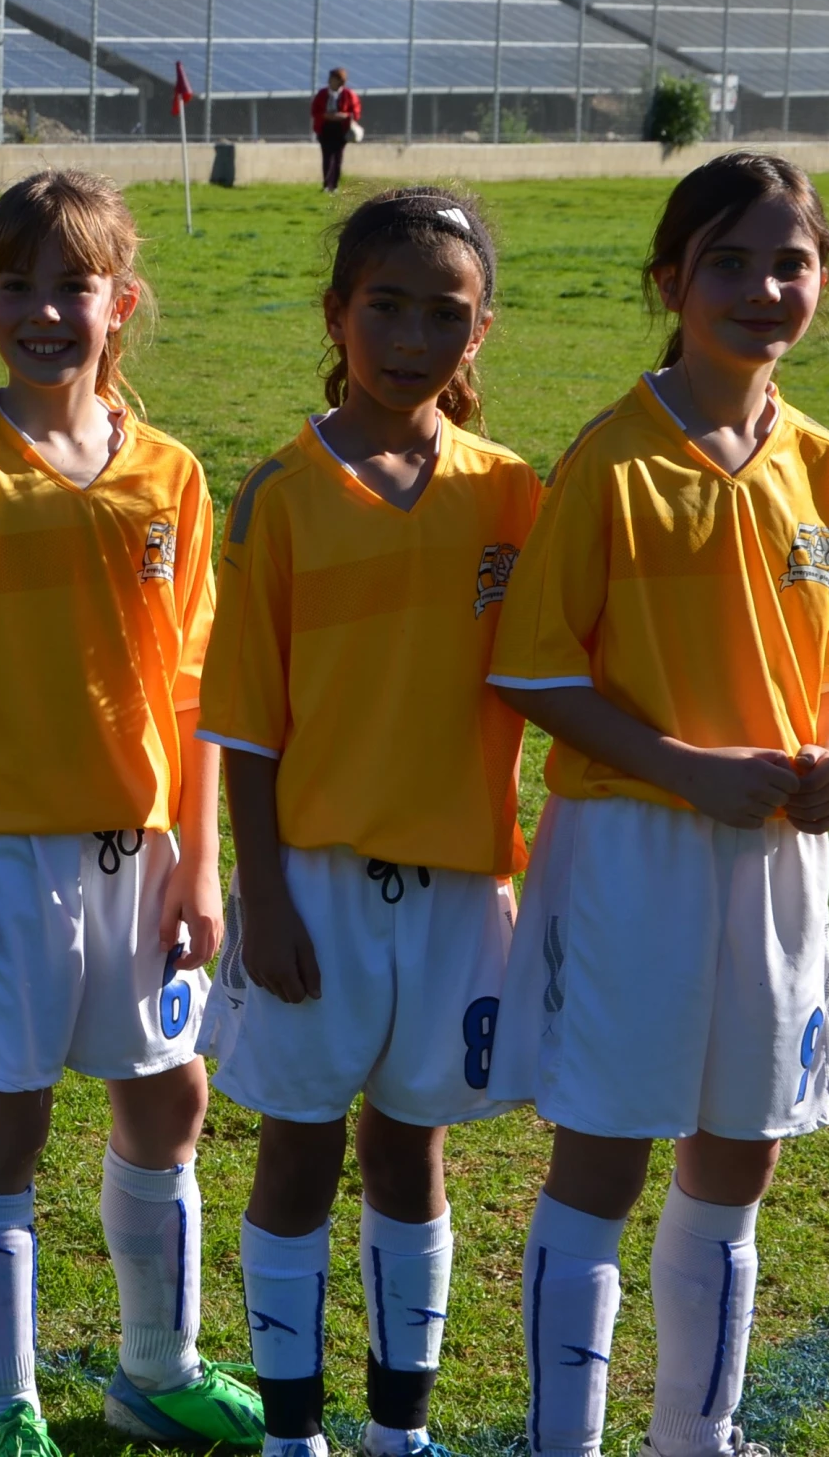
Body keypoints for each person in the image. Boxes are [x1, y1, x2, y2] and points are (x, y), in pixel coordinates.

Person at [485, 152, 829, 1457]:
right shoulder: (611, 459)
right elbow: (534, 671)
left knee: (739, 1153)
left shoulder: (824, 467)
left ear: (819, 280)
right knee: (601, 1154)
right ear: (670, 281)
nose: (760, 287)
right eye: (726, 262)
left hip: (770, 860)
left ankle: (692, 1435)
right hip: (632, 850)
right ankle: (563, 1440)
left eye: (787, 262)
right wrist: (686, 768)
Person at [0, 169, 258, 1457]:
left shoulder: (172, 477)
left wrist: (199, 864)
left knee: (172, 1096)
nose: (45, 311)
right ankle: (1, 1401)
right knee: (9, 1116)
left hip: (140, 853)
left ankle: (155, 1367)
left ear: (120, 302)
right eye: (18, 285)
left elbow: (198, 688)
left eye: (72, 286)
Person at [201, 188, 539, 1457]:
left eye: (441, 313)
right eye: (383, 306)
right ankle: (292, 1429)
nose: (409, 335)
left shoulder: (512, 493)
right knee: (298, 1147)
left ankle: (398, 1424)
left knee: (412, 1150)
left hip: (459, 890)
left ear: (480, 332)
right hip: (319, 886)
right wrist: (267, 896)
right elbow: (246, 726)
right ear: (336, 316)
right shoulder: (279, 494)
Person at [312, 69, 362, 194]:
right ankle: (326, 185)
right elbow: (315, 111)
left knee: (338, 157)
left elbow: (355, 111)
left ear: (340, 81)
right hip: (325, 129)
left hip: (341, 130)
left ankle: (334, 185)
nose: (330, 81)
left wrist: (344, 116)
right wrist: (326, 116)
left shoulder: (348, 94)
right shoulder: (322, 94)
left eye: (333, 79)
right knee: (327, 157)